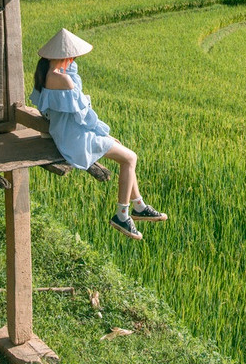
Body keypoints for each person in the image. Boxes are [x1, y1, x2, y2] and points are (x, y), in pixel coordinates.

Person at [29, 28, 166, 240]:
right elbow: (83, 117)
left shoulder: (46, 75)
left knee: (126, 157)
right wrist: (105, 134)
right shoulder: (63, 80)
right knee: (130, 158)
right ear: (68, 56)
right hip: (76, 138)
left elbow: (47, 110)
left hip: (66, 134)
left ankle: (139, 206)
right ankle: (122, 215)